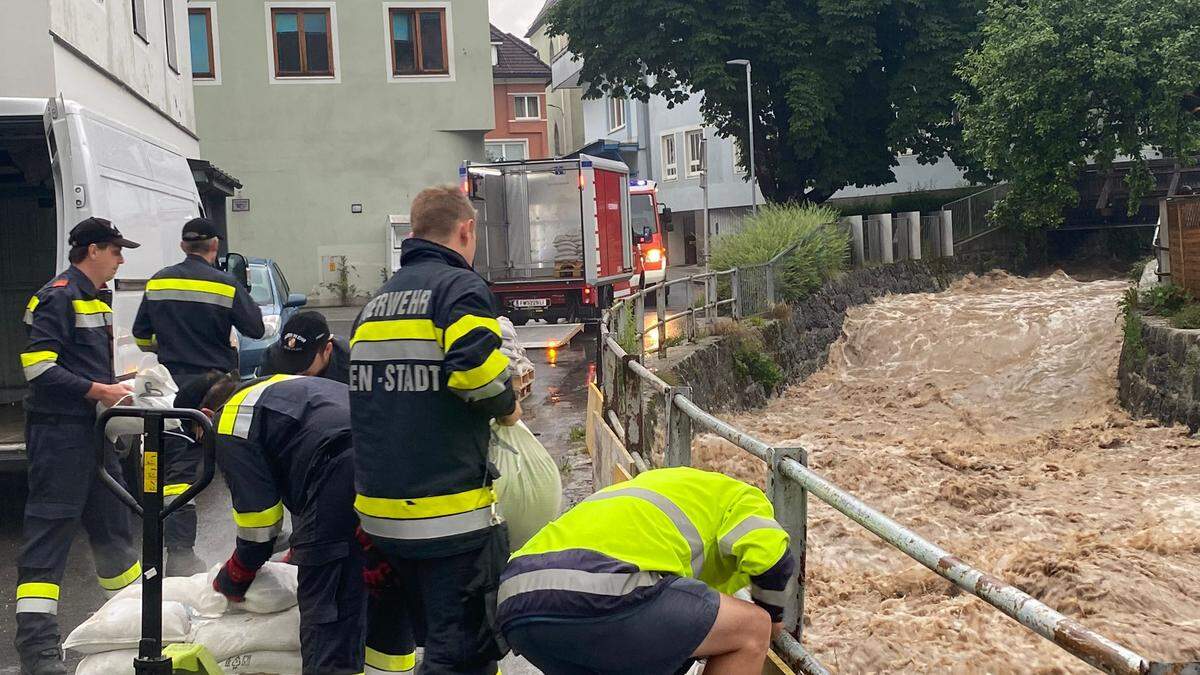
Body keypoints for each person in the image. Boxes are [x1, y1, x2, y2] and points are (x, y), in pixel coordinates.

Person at [351, 185, 521, 675]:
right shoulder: (460, 289)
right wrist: (508, 403)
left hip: (380, 513)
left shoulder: (377, 302)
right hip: (445, 515)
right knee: (461, 651)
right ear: (466, 230)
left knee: (411, 639)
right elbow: (477, 374)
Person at [497, 467, 798, 675]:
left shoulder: (665, 487)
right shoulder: (740, 497)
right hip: (601, 589)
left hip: (516, 603)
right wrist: (772, 620)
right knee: (752, 627)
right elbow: (773, 559)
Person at [174, 371, 379, 675]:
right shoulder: (278, 385)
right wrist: (302, 549)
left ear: (205, 416)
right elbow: (306, 450)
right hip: (393, 463)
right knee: (381, 596)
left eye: (200, 436)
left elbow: (260, 523)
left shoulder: (228, 419)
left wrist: (237, 574)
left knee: (327, 613)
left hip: (342, 471)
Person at [15, 218, 143, 675]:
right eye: (115, 250)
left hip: (94, 435)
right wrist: (99, 391)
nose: (121, 260)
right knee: (49, 538)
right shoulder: (58, 295)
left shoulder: (96, 298)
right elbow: (38, 368)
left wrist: (119, 384)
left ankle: (131, 628)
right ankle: (38, 648)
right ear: (92, 250)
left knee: (115, 537)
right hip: (60, 436)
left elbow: (85, 365)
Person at [132, 217, 264, 575]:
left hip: (172, 386)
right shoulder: (225, 284)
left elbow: (141, 335)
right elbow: (255, 328)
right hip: (215, 388)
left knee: (175, 467)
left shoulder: (159, 281)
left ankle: (177, 551)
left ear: (182, 246)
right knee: (235, 459)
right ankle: (252, 541)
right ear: (215, 246)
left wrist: (168, 346)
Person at [259, 311, 350, 384]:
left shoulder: (350, 367)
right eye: (288, 365)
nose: (297, 374)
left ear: (327, 350)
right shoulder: (271, 359)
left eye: (305, 372)